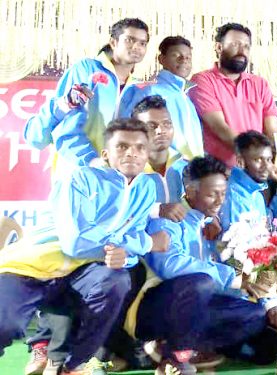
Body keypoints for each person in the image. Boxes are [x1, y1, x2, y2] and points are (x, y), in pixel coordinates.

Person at [0, 119, 168, 375]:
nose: (131, 153)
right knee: (6, 322)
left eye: (139, 148)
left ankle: (72, 364)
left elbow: (128, 248)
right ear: (105, 154)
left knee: (117, 280)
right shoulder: (80, 179)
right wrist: (145, 243)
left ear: (147, 154)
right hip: (34, 266)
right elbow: (75, 241)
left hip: (83, 273)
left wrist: (125, 255)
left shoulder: (147, 187)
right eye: (122, 146)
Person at [137, 156, 277, 374]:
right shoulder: (168, 220)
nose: (220, 201)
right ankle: (175, 354)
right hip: (159, 308)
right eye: (212, 194)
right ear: (190, 192)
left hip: (197, 310)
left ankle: (189, 347)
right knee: (202, 283)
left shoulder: (212, 226)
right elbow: (170, 265)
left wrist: (268, 299)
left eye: (223, 193)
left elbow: (233, 278)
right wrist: (231, 277)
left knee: (255, 315)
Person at [24, 18, 149, 183]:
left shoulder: (138, 88)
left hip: (115, 181)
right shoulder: (86, 69)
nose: (136, 47)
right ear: (113, 42)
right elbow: (67, 127)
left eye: (142, 43)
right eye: (130, 40)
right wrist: (93, 161)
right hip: (77, 174)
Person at [189, 23, 277, 166]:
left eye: (246, 47)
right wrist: (255, 157)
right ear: (219, 47)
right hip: (217, 174)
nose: (242, 51)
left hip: (255, 172)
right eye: (235, 44)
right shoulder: (202, 80)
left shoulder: (259, 84)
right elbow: (220, 127)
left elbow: (273, 130)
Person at [119, 36, 204, 159]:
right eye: (176, 55)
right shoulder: (150, 90)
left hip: (192, 170)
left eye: (188, 57)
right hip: (163, 168)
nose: (184, 59)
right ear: (161, 59)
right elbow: (127, 128)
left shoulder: (185, 95)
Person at [220, 131, 277, 232]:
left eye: (268, 160)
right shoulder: (235, 197)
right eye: (258, 160)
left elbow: (272, 224)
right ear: (240, 161)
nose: (266, 166)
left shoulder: (255, 193)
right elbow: (237, 245)